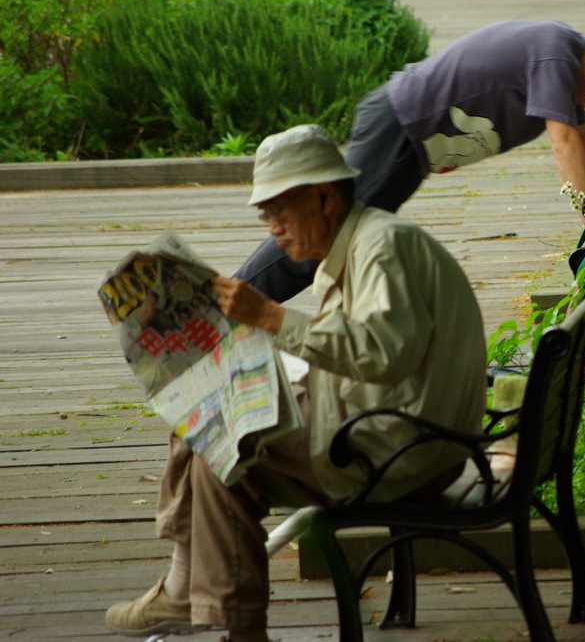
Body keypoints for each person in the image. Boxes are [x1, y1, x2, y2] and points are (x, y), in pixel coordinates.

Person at [105, 124, 488, 642]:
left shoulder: (382, 248)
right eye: (266, 215)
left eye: (279, 210)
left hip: (405, 450)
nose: (273, 229)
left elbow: (382, 353)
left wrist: (271, 319)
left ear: (325, 197)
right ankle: (197, 593)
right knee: (207, 409)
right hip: (402, 428)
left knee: (221, 444)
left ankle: (202, 600)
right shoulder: (367, 240)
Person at [236, 19, 585, 302]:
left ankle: (235, 309)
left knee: (341, 240)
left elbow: (583, 150)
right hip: (399, 124)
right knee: (322, 230)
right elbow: (564, 144)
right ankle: (224, 307)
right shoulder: (555, 53)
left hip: (411, 148)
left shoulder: (563, 67)